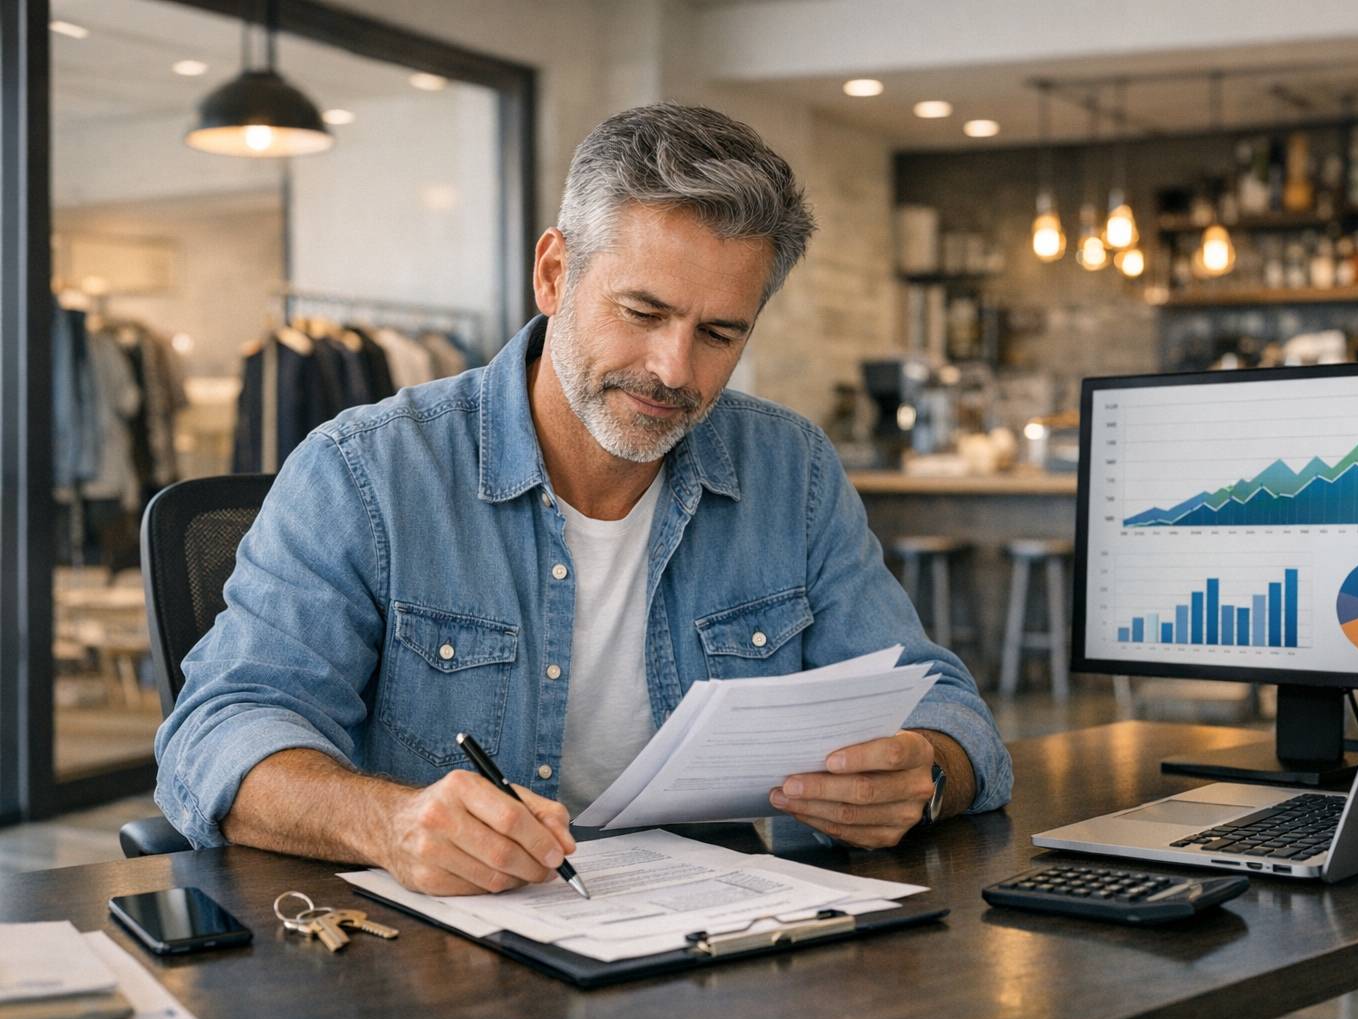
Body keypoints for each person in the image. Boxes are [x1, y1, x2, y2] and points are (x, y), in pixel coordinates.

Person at [155, 103, 1013, 897]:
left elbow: (942, 703)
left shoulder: (792, 469)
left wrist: (923, 770)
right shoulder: (365, 470)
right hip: (442, 950)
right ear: (555, 272)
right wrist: (391, 822)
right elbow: (218, 735)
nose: (674, 370)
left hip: (716, 931)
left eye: (720, 334)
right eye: (642, 312)